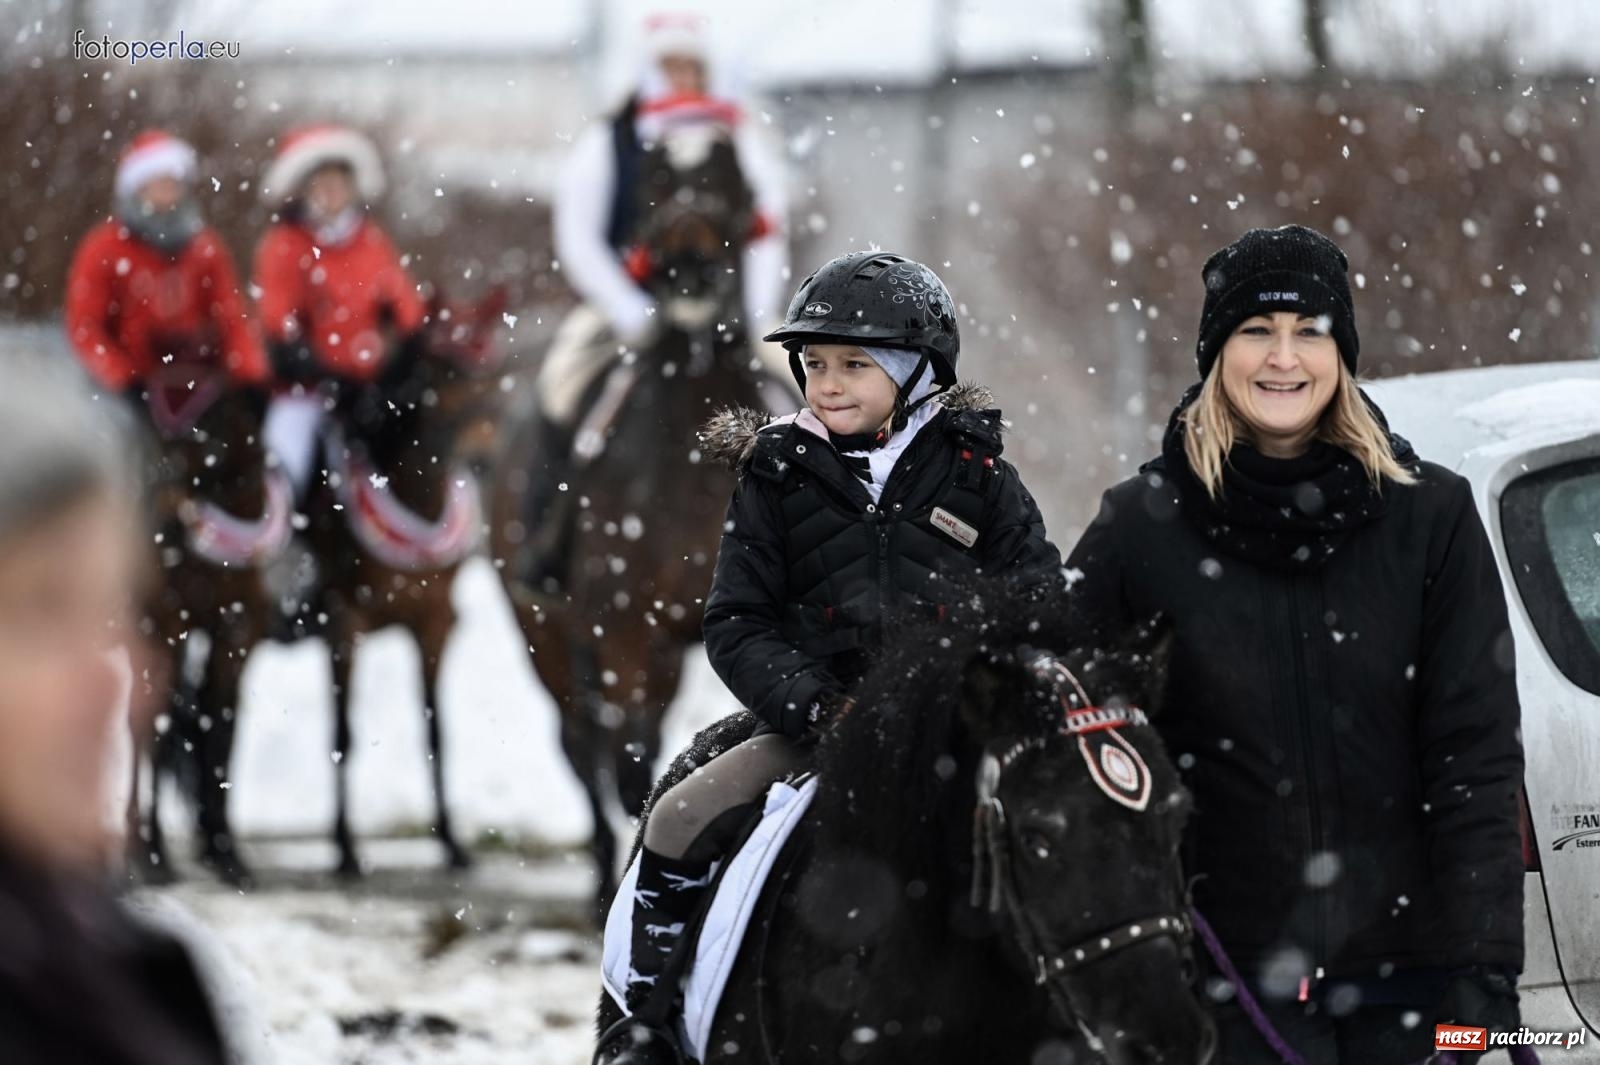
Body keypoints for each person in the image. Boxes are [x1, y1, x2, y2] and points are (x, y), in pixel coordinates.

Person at [1064, 225, 1525, 1064]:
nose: (1284, 358)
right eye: (1256, 331)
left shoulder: (1430, 519)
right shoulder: (1140, 526)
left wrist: (1485, 970)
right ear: (1216, 352)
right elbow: (1065, 725)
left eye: (1309, 330)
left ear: (1341, 351)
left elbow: (1475, 758)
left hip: (1411, 987)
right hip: (1226, 990)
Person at [596, 251, 1063, 1063]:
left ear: (919, 372)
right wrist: (817, 704)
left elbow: (1042, 601)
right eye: (814, 365)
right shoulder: (773, 476)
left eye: (854, 364)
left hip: (957, 732)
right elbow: (737, 622)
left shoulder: (981, 476)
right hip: (816, 724)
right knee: (675, 818)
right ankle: (647, 1021)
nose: (828, 383)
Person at [0, 355, 231, 1065]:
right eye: (43, 608)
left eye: (109, 614)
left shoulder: (149, 981)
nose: (120, 684)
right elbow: (95, 328)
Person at [520, 11, 793, 592]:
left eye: (691, 65)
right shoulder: (609, 141)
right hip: (626, 311)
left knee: (800, 397)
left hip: (729, 314)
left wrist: (756, 311)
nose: (681, 76)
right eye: (670, 65)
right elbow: (578, 237)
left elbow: (768, 232)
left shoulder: (740, 138)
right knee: (560, 387)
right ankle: (549, 535)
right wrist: (627, 307)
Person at [252, 123, 426, 634]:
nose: (331, 193)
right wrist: (321, 373)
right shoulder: (284, 244)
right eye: (321, 182)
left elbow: (404, 306)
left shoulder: (371, 242)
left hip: (367, 387)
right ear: (303, 189)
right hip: (305, 392)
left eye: (339, 180)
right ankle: (286, 572)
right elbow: (279, 326)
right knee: (286, 466)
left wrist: (406, 351)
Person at [65, 129, 270, 410]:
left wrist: (250, 375)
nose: (167, 192)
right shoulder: (103, 249)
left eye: (173, 183)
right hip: (127, 393)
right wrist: (122, 379)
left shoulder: (205, 247)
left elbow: (231, 319)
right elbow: (85, 327)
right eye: (159, 183)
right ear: (138, 188)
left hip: (202, 390)